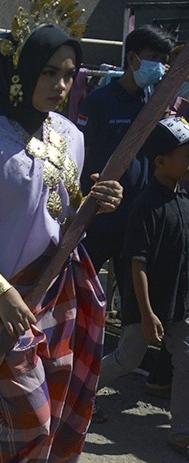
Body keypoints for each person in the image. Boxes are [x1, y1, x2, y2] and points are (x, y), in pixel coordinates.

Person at [0, 6, 124, 459]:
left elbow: (62, 209)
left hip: (55, 287)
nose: (61, 85)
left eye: (69, 74)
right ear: (18, 72)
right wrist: (1, 292)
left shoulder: (71, 135)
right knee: (29, 418)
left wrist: (94, 201)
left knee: (47, 408)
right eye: (48, 72)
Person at [78, 25, 176, 408]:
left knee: (132, 306)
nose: (161, 68)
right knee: (80, 296)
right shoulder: (99, 102)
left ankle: (99, 382)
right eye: (156, 60)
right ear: (133, 58)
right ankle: (66, 366)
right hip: (98, 219)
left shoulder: (154, 101)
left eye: (166, 62)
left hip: (136, 223)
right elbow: (80, 157)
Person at [122, 117, 189, 458]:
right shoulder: (147, 205)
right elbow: (138, 264)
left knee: (186, 360)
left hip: (179, 304)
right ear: (161, 162)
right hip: (150, 306)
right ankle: (78, 395)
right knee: (126, 358)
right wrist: (147, 314)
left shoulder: (184, 197)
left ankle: (180, 433)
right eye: (186, 155)